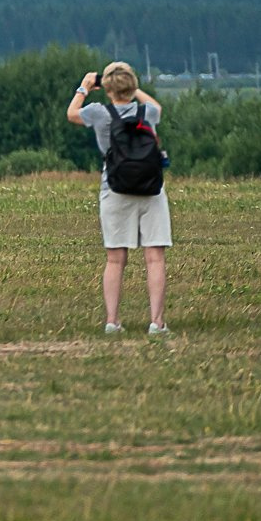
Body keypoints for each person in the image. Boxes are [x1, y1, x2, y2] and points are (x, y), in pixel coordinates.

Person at [67, 61, 171, 337]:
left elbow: (71, 114)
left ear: (108, 88)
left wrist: (85, 86)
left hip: (114, 188)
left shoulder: (99, 113)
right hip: (151, 188)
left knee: (115, 258)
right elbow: (158, 107)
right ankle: (156, 322)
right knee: (155, 256)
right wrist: (134, 90)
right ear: (132, 84)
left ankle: (112, 321)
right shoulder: (146, 112)